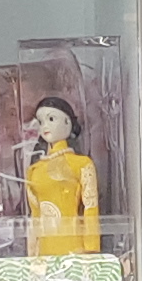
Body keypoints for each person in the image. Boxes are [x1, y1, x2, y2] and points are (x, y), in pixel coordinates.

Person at [21, 98, 102, 255]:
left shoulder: (81, 164)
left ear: (68, 122)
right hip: (45, 249)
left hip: (73, 247)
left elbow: (90, 208)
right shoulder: (34, 170)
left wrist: (91, 250)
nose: (45, 126)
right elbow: (35, 216)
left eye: (51, 119)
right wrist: (32, 254)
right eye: (41, 122)